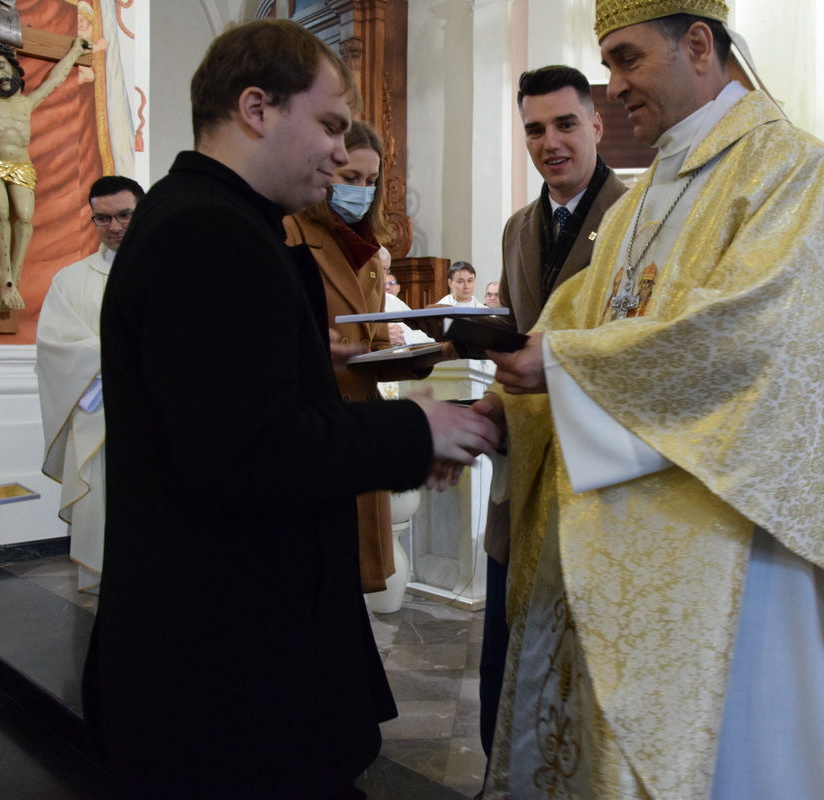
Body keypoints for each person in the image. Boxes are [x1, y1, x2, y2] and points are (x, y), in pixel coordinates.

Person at [478, 3, 824, 797]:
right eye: (609, 63)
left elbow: (757, 334)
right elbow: (580, 314)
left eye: (627, 59)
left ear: (698, 44)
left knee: (739, 758)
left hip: (739, 547)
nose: (614, 85)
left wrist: (560, 363)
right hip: (622, 541)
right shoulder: (641, 199)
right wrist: (508, 400)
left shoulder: (794, 172)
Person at [81, 21, 498, 800]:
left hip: (223, 654)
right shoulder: (210, 233)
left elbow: (227, 402)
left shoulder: (205, 215)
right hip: (229, 675)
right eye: (331, 125)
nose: (342, 154)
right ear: (256, 108)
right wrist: (418, 426)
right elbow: (249, 452)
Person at [475, 63, 628, 770]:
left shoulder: (635, 218)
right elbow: (514, 339)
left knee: (583, 682)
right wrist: (490, 408)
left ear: (596, 124)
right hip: (522, 479)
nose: (550, 142)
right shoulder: (517, 229)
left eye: (566, 123)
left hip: (596, 479)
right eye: (534, 130)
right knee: (506, 656)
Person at [284, 120, 451, 595]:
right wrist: (320, 352)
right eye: (350, 177)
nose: (361, 190)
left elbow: (373, 349)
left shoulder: (369, 254)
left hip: (358, 422)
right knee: (314, 579)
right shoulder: (289, 234)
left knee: (351, 584)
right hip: (314, 425)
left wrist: (435, 349)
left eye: (371, 181)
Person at [36, 175, 144, 595]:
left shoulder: (174, 270)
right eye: (103, 218)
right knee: (106, 521)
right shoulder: (70, 281)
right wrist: (130, 352)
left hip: (162, 419)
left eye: (125, 215)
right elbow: (57, 350)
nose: (114, 226)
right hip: (101, 420)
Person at [0, 37, 92, 311]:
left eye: (0, 66)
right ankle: (4, 278)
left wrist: (76, 51)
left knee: (25, 217)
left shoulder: (27, 102)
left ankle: (13, 280)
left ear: (13, 65)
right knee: (1, 212)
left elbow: (55, 80)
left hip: (22, 165)